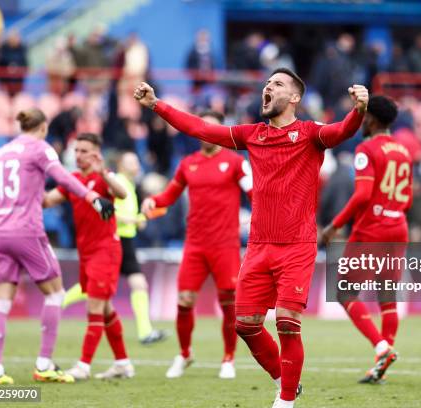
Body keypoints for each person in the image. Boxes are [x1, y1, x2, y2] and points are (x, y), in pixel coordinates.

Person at [134, 68, 368, 408]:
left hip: (297, 246)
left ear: (295, 97)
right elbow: (201, 128)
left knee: (288, 322)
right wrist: (157, 105)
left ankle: (285, 400)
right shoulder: (251, 135)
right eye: (267, 83)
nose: (268, 88)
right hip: (258, 246)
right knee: (245, 325)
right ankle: (284, 379)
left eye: (277, 84)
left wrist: (358, 110)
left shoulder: (310, 134)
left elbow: (342, 131)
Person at [0, 108, 114, 385]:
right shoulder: (41, 148)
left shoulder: (2, 152)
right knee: (55, 294)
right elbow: (63, 177)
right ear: (43, 128)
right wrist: (93, 198)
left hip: (0, 232)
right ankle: (43, 365)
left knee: (1, 301)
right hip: (26, 231)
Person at [141, 111, 253, 379]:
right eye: (202, 127)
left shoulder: (235, 162)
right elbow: (170, 195)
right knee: (184, 300)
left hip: (225, 244)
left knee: (228, 302)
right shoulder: (187, 163)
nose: (205, 132)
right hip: (194, 244)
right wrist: (153, 201)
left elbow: (254, 193)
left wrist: (262, 213)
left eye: (211, 127)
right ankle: (184, 353)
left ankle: (229, 358)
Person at [321, 95, 411, 384]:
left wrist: (334, 225)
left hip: (372, 228)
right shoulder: (403, 151)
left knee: (345, 293)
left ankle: (381, 346)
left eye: (363, 116)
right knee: (387, 298)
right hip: (399, 227)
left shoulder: (366, 149)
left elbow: (362, 195)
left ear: (371, 119)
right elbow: (407, 196)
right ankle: (380, 367)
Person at [42, 133, 133, 381]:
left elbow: (122, 193)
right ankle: (123, 363)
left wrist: (105, 173)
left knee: (94, 308)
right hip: (86, 252)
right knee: (105, 309)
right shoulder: (72, 180)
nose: (79, 155)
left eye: (85, 150)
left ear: (96, 153)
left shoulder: (104, 177)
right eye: (77, 150)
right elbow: (48, 200)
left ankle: (83, 365)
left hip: (106, 250)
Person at [62, 151, 167, 344]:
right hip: (114, 239)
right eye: (131, 161)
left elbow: (129, 216)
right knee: (97, 286)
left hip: (126, 240)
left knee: (135, 284)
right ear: (121, 164)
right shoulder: (116, 182)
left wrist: (139, 220)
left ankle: (145, 331)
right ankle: (59, 301)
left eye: (136, 160)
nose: (136, 164)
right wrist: (130, 219)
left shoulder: (130, 185)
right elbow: (108, 210)